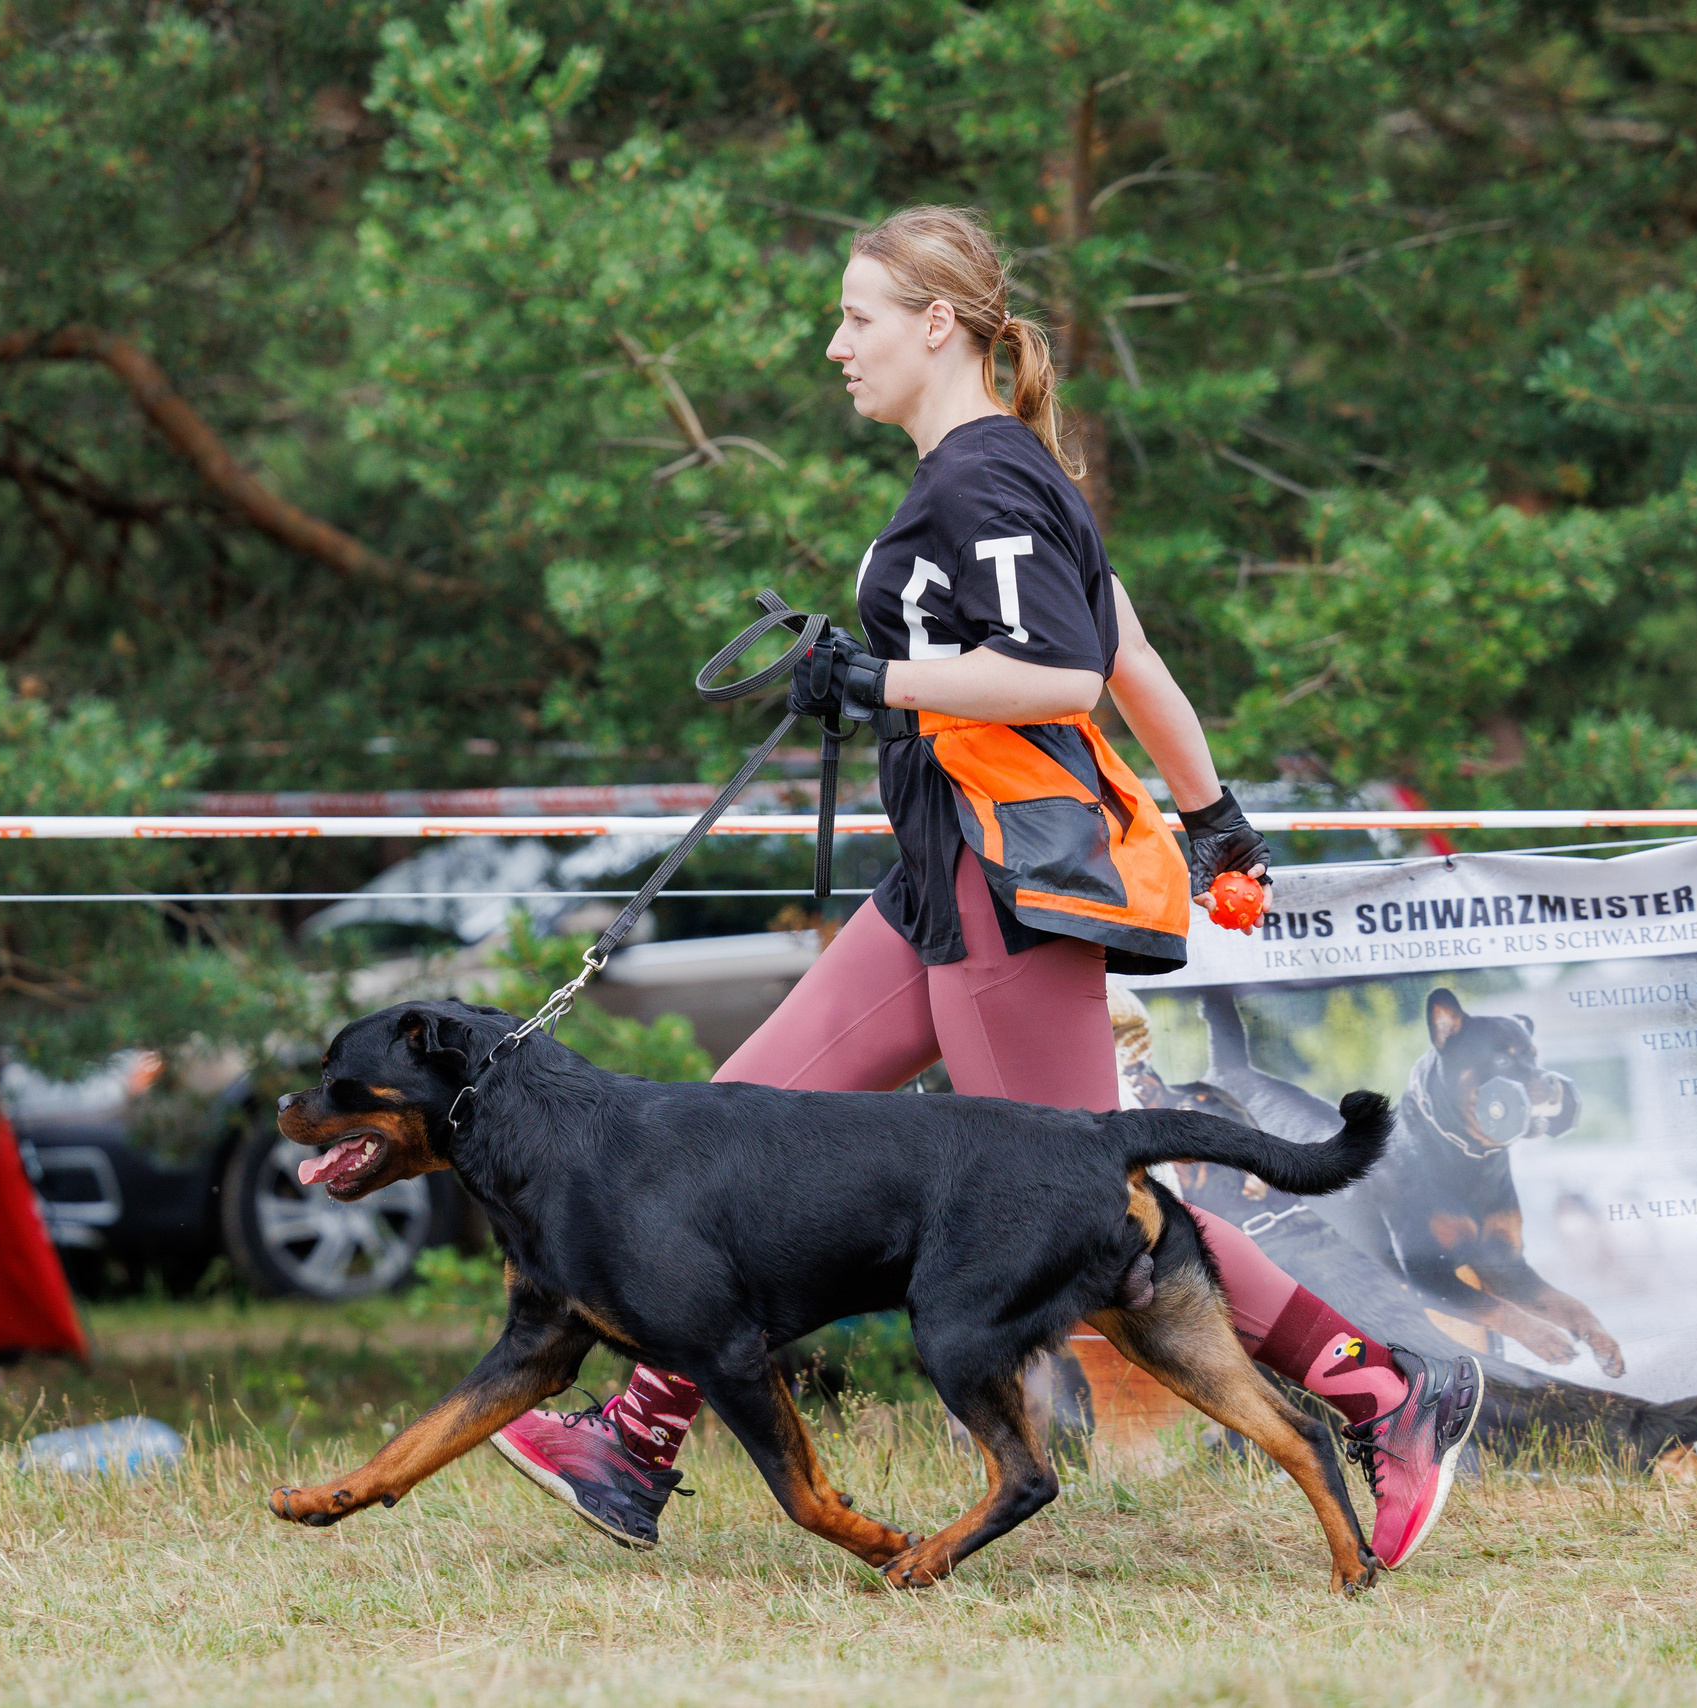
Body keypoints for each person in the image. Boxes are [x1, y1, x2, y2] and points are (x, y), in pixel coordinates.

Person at [490, 205, 1481, 1570]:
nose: (836, 345)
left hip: (1003, 890)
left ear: (936, 324)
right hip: (935, 877)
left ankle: (1381, 1386)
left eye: (858, 318)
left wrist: (875, 677)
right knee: (721, 1139)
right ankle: (637, 1432)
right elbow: (1130, 657)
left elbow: (1065, 676)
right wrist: (1214, 816)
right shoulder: (998, 473)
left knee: (1092, 1207)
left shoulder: (983, 480)